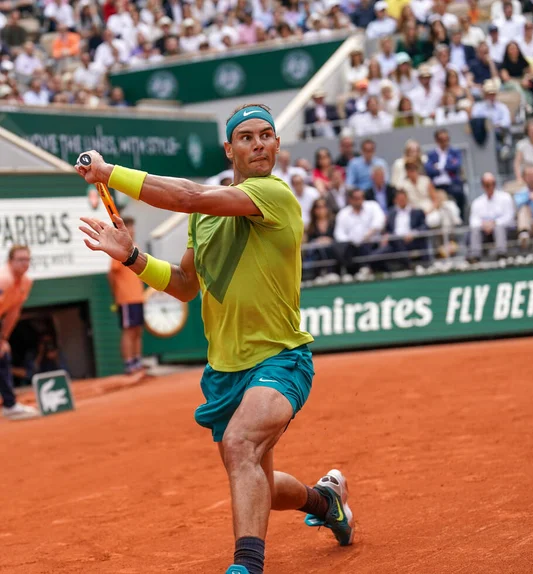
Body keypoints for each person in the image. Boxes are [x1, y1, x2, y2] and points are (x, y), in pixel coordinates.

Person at [75, 103, 354, 574]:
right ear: (230, 149)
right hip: (224, 372)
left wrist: (109, 172)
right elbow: (186, 284)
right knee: (255, 473)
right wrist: (134, 257)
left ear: (277, 144)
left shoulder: (274, 194)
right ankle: (326, 502)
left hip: (280, 358)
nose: (259, 143)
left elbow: (187, 195)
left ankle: (246, 566)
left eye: (267, 135)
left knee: (242, 445)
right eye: (246, 137)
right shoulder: (203, 218)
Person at [0, 245, 39, 420]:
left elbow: (14, 311)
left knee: (3, 356)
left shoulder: (26, 283)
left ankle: (9, 405)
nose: (25, 263)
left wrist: (3, 339)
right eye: (20, 260)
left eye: (27, 259)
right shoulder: (4, 280)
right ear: (10, 261)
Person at [108, 216, 146, 374]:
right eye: (128, 227)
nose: (132, 230)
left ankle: (138, 361)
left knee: (138, 330)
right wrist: (117, 295)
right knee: (129, 331)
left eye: (132, 227)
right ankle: (129, 363)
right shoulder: (119, 250)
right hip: (125, 299)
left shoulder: (136, 247)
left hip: (138, 297)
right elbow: (111, 273)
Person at [468, 172, 515, 261]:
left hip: (504, 230)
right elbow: (473, 221)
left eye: (492, 183)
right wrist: (484, 225)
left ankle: (501, 254)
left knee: (498, 227)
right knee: (475, 230)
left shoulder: (505, 197)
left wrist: (494, 223)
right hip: (484, 231)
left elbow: (509, 217)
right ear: (483, 186)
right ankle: (475, 256)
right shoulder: (477, 202)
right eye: (487, 184)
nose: (490, 186)